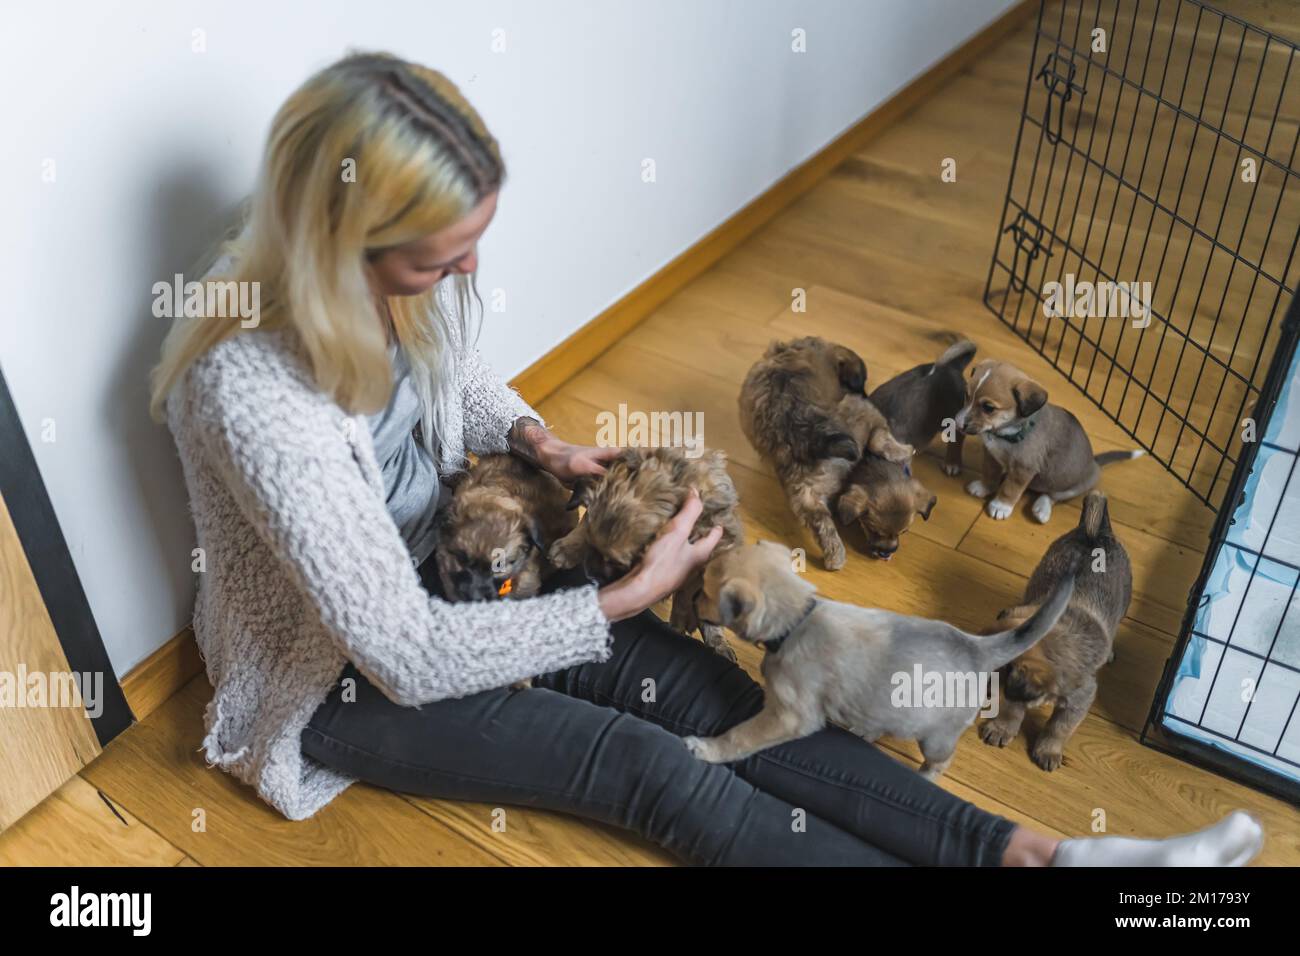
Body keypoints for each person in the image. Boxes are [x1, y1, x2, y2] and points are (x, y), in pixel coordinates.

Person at [149, 52, 1264, 867]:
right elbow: (403, 648)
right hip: (351, 674)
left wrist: (533, 435)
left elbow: (461, 379)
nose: (469, 267)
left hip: (487, 567)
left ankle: (1036, 856)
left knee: (730, 694)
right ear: (342, 237)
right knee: (653, 767)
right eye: (444, 258)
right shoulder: (250, 390)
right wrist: (624, 594)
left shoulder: (386, 280)